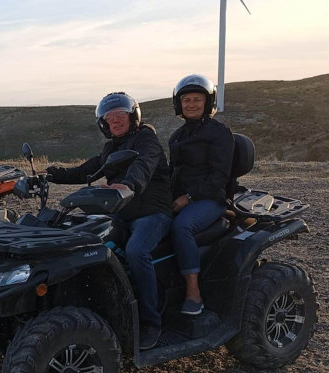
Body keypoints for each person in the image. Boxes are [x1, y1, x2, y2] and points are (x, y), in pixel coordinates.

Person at [45, 92, 172, 350]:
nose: (115, 120)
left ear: (132, 116)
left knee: (137, 252)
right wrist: (51, 175)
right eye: (109, 116)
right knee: (82, 236)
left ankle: (150, 322)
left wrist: (126, 185)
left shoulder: (146, 139)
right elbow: (87, 170)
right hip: (120, 213)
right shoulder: (111, 148)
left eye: (120, 114)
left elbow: (144, 166)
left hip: (151, 213)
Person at [168, 74, 235, 316]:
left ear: (208, 102)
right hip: (180, 197)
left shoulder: (219, 133)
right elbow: (170, 172)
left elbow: (219, 176)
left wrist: (188, 198)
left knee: (181, 227)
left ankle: (193, 292)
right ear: (179, 104)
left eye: (197, 99)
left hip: (210, 199)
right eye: (186, 100)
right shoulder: (177, 137)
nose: (191, 104)